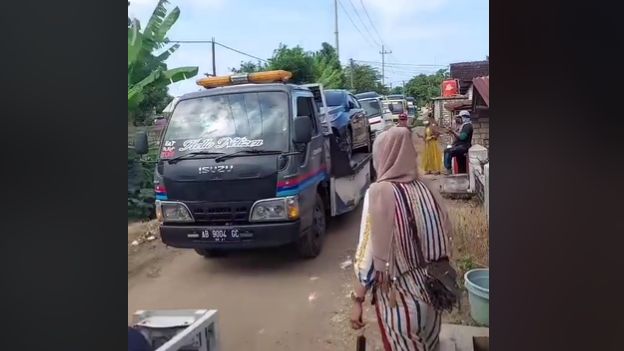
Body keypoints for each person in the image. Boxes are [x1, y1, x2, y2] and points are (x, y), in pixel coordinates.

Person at [350, 127, 453, 351]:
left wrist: (357, 300)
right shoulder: (428, 187)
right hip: (435, 293)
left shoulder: (379, 193)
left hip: (401, 301)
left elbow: (367, 254)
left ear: (383, 157)